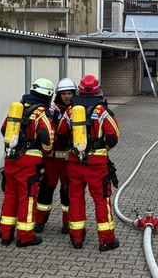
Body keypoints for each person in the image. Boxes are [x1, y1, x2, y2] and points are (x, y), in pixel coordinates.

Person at [56, 74, 121, 251]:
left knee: (75, 199)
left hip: (74, 164)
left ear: (80, 90)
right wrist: (101, 149)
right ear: (98, 90)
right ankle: (106, 240)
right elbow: (113, 138)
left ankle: (76, 238)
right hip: (96, 165)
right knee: (101, 200)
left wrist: (73, 147)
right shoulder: (103, 111)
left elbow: (61, 133)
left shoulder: (71, 111)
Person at [0, 78, 55, 248]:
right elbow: (47, 136)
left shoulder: (18, 108)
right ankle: (25, 236)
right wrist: (47, 151)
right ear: (48, 95)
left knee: (10, 196)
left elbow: (4, 129)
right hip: (29, 164)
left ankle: (5, 235)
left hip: (11, 161)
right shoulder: (41, 113)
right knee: (27, 198)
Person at [34, 77, 76, 234]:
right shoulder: (51, 111)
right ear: (59, 95)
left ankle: (67, 222)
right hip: (51, 159)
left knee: (67, 191)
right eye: (64, 93)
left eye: (70, 93)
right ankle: (39, 222)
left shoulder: (77, 111)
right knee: (46, 189)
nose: (67, 96)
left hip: (67, 159)